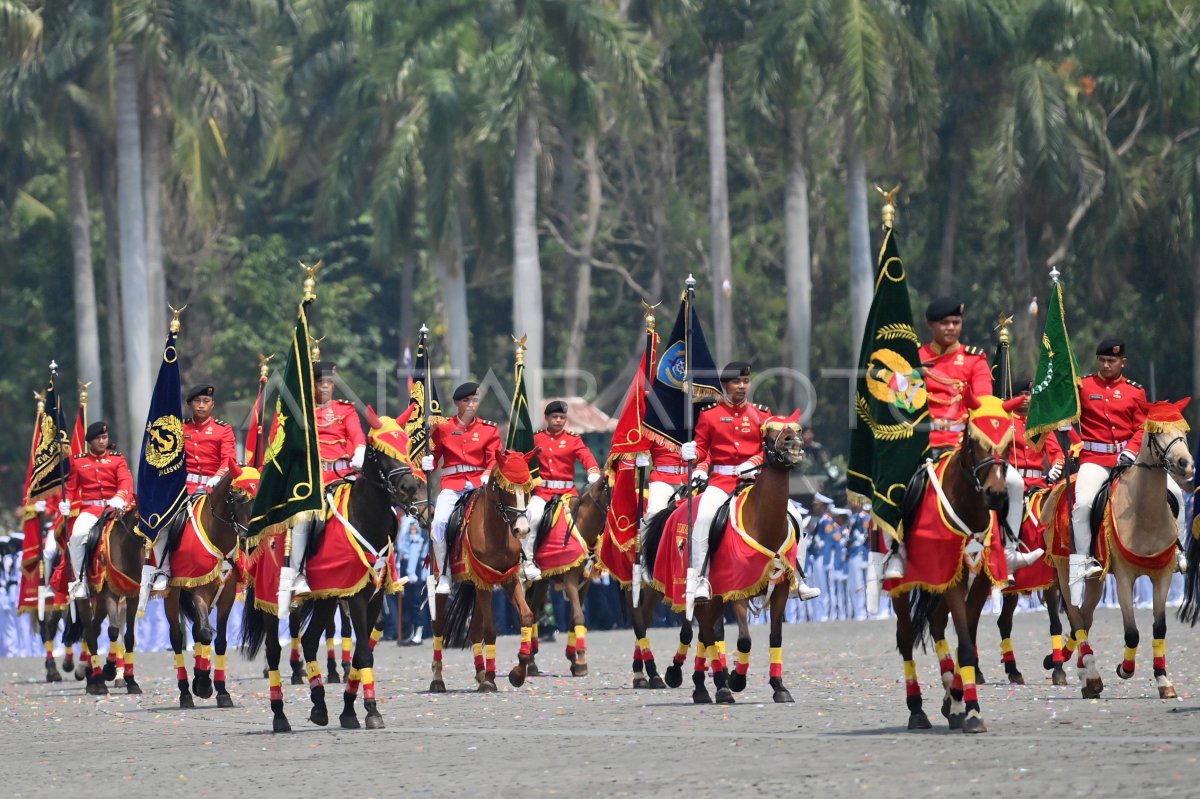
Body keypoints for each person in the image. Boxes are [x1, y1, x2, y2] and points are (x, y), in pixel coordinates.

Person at [886, 297, 1033, 580]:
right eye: (945, 323)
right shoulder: (914, 360)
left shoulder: (974, 360)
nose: (951, 327)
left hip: (964, 446)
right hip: (925, 444)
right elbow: (898, 403)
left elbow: (983, 402)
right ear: (931, 325)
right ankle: (897, 550)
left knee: (1014, 482)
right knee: (897, 484)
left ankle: (1010, 548)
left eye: (956, 322)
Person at [1067, 339, 1185, 596]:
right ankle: (1085, 559)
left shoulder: (1135, 391)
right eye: (1102, 360)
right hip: (1095, 460)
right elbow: (1067, 413)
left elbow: (1142, 427)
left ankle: (1176, 550)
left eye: (1111, 361)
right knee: (1084, 503)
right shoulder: (1083, 386)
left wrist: (1131, 451)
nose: (1106, 365)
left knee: (1175, 494)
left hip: (1130, 460)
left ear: (1123, 362)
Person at [278, 360, 367, 609]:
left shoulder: (345, 410)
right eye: (320, 383)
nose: (326, 387)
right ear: (312, 385)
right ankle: (299, 573)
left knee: (378, 511)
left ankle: (380, 570)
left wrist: (360, 450)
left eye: (329, 383)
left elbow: (356, 435)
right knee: (304, 519)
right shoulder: (302, 413)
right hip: (315, 481)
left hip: (344, 478)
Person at [680, 361, 770, 606]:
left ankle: (796, 575)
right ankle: (699, 579)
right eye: (736, 382)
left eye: (745, 382)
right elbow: (701, 449)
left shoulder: (762, 415)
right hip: (721, 482)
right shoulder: (709, 415)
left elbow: (769, 449)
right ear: (724, 385)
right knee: (703, 520)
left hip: (755, 483)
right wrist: (690, 453)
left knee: (791, 515)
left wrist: (753, 461)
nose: (742, 386)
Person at [146, 384, 239, 594]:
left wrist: (217, 478)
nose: (201, 406)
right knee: (163, 524)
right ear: (189, 405)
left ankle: (238, 566)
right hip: (184, 488)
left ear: (212, 405)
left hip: (215, 488)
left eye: (206, 402)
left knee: (239, 518)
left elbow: (229, 459)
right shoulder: (180, 429)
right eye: (197, 401)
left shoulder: (223, 430)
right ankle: (163, 570)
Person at [421, 382, 501, 595]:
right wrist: (427, 462)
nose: (471, 404)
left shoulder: (488, 429)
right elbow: (434, 454)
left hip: (479, 485)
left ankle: (509, 564)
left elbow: (495, 458)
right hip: (452, 486)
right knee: (438, 523)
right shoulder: (443, 427)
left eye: (474, 400)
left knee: (507, 516)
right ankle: (445, 574)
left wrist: (486, 474)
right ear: (457, 403)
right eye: (466, 401)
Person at [524, 400, 601, 581]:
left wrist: (593, 471)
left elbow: (586, 456)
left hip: (568, 494)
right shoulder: (536, 439)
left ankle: (591, 559)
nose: (559, 420)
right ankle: (527, 561)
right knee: (532, 517)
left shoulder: (573, 439)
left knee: (589, 519)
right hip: (542, 493)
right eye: (555, 417)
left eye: (562, 417)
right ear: (546, 418)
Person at [63, 422, 133, 599]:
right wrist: (66, 503)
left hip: (115, 507)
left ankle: (148, 573)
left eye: (105, 437)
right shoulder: (79, 462)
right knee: (77, 536)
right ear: (90, 441)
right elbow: (71, 489)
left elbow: (125, 481)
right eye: (98, 438)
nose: (102, 441)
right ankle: (80, 581)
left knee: (137, 532)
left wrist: (120, 497)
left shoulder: (117, 459)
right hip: (91, 510)